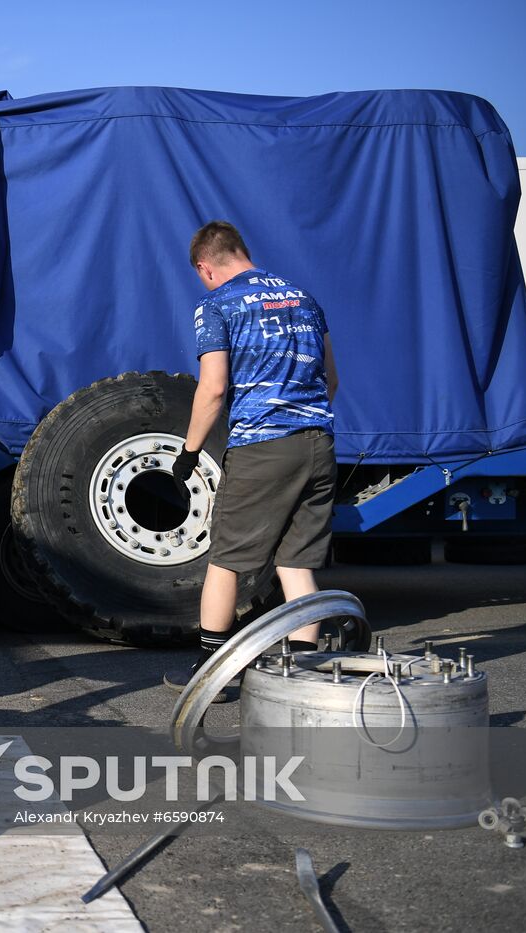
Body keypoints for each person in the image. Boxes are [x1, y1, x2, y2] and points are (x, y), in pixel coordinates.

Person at [163, 221, 339, 695]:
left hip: (263, 446)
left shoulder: (217, 304)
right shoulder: (303, 297)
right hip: (318, 443)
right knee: (296, 563)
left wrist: (188, 454)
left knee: (227, 559)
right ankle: (303, 676)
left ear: (205, 267)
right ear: (241, 251)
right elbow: (330, 378)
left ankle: (212, 674)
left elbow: (214, 387)